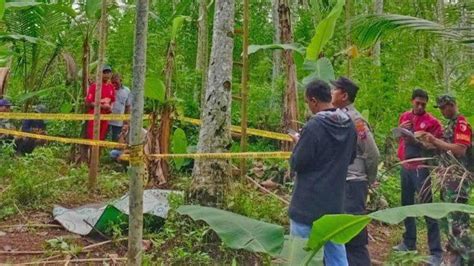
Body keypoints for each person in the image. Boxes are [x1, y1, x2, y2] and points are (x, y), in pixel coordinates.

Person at [289, 79, 357, 266]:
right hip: (334, 203)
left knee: (302, 257)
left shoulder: (314, 126)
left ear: (313, 100)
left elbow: (298, 163)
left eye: (307, 102)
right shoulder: (349, 125)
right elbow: (351, 158)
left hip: (307, 204)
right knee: (337, 257)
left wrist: (298, 144)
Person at [331, 77, 380, 266]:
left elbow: (373, 153)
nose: (331, 92)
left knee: (354, 238)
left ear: (344, 95)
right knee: (340, 234)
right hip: (341, 183)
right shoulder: (336, 115)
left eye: (334, 90)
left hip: (353, 183)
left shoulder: (356, 120)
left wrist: (368, 179)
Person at [420, 95, 473, 265]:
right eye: (440, 108)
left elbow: (460, 150)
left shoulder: (461, 124)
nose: (442, 111)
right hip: (448, 178)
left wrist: (436, 140)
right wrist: (432, 144)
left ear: (452, 105)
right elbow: (447, 148)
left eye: (444, 108)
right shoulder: (449, 125)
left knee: (459, 223)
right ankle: (455, 257)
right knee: (449, 221)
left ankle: (468, 257)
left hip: (459, 179)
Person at [393, 88, 443, 265]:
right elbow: (398, 137)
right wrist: (401, 130)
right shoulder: (405, 116)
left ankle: (436, 252)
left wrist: (418, 141)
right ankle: (409, 242)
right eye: (417, 103)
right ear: (412, 101)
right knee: (407, 205)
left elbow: (436, 147)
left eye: (423, 103)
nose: (420, 106)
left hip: (421, 167)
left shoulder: (432, 122)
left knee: (428, 207)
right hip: (405, 166)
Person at [85, 65, 116, 140]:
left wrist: (110, 108)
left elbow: (112, 100)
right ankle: (92, 151)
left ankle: (99, 152)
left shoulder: (111, 87)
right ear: (100, 74)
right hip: (94, 116)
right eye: (104, 72)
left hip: (105, 117)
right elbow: (88, 102)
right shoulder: (94, 86)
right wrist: (102, 107)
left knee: (102, 138)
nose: (106, 74)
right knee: (93, 137)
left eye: (108, 72)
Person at [109, 73, 131, 141]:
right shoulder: (109, 88)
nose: (114, 84)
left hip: (118, 121)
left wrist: (126, 120)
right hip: (106, 120)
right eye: (113, 82)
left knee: (116, 139)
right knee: (103, 139)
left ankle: (113, 151)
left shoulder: (127, 91)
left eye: (116, 82)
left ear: (121, 81)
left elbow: (128, 106)